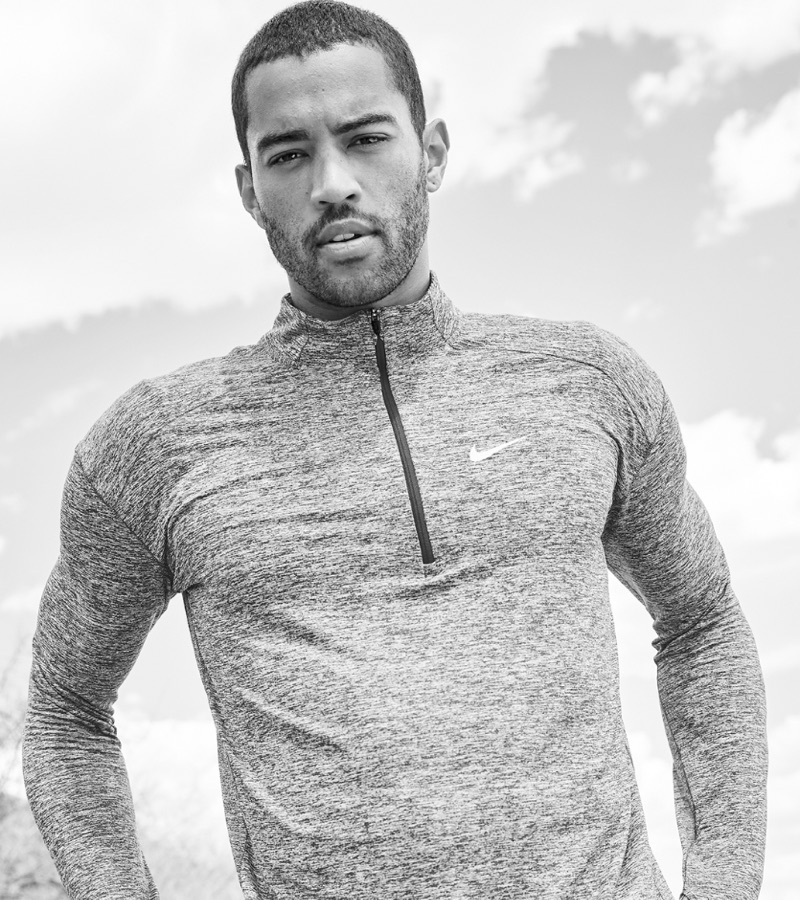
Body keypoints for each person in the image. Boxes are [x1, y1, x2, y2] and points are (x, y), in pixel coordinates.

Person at [23, 1, 767, 898]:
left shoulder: (587, 381)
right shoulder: (154, 444)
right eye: (288, 154)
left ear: (433, 153)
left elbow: (702, 623)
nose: (332, 181)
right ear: (250, 190)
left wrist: (725, 885)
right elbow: (65, 711)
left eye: (366, 138)